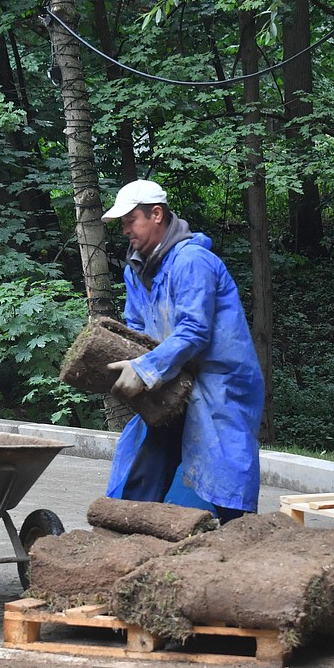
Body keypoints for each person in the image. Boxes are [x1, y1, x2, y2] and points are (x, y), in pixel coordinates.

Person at [101, 179, 264, 523]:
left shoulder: (192, 262)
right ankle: (129, 527)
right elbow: (137, 329)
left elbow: (195, 331)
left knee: (223, 474)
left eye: (131, 220)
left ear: (156, 214)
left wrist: (146, 368)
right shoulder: (137, 268)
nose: (126, 230)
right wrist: (130, 361)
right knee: (148, 456)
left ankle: (243, 540)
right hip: (172, 380)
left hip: (218, 384)